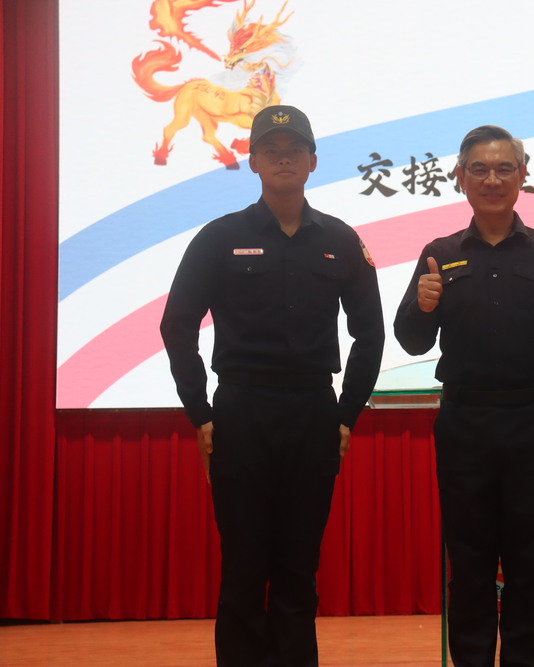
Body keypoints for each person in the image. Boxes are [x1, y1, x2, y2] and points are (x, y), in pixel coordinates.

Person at [160, 105, 385, 667]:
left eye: (295, 149)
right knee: (243, 567)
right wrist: (200, 412)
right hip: (242, 413)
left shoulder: (340, 240)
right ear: (254, 161)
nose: (284, 158)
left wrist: (346, 415)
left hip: (313, 412)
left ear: (312, 161)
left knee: (298, 568)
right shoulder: (219, 237)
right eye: (271, 150)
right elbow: (177, 324)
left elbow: (370, 333)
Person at [394, 125, 534, 667]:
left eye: (504, 168)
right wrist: (423, 306)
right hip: (465, 422)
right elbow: (411, 339)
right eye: (479, 169)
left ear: (522, 176)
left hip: (533, 422)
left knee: (529, 564)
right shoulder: (439, 253)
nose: (492, 180)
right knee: (470, 563)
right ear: (460, 177)